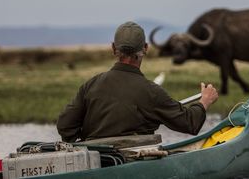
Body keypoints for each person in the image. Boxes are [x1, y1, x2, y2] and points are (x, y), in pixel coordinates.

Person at [57, 21, 219, 142]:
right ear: (145, 48)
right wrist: (204, 101)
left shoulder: (90, 85)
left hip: (95, 162)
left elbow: (65, 126)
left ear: (114, 48)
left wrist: (85, 144)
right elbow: (190, 123)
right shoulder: (152, 92)